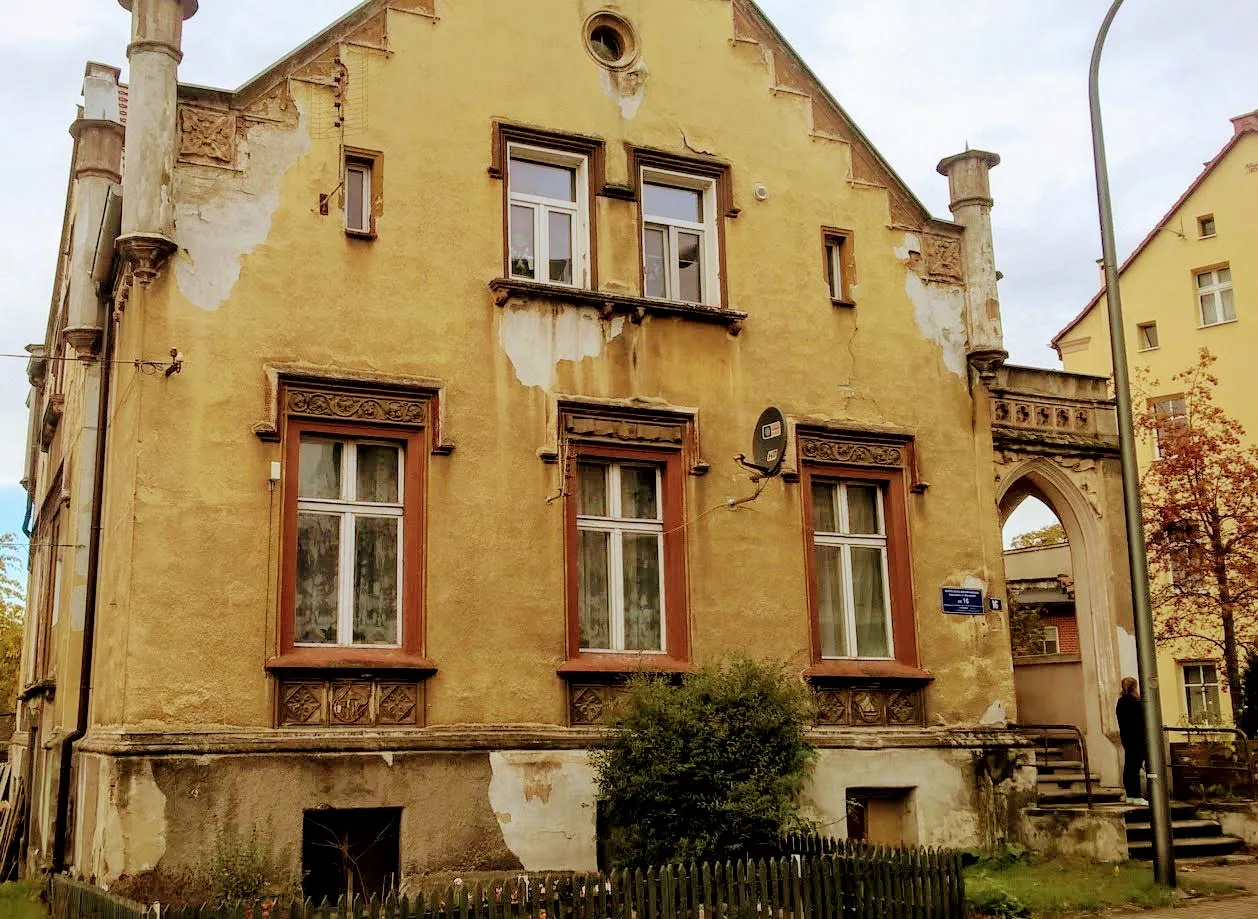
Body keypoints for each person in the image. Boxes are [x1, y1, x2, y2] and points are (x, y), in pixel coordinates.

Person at [1116, 677, 1148, 805]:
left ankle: (1130, 794)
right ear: (1134, 687)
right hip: (1137, 737)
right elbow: (1141, 721)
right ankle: (1136, 795)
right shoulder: (1135, 702)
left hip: (1127, 737)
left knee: (1129, 766)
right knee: (1135, 767)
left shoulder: (1121, 701)